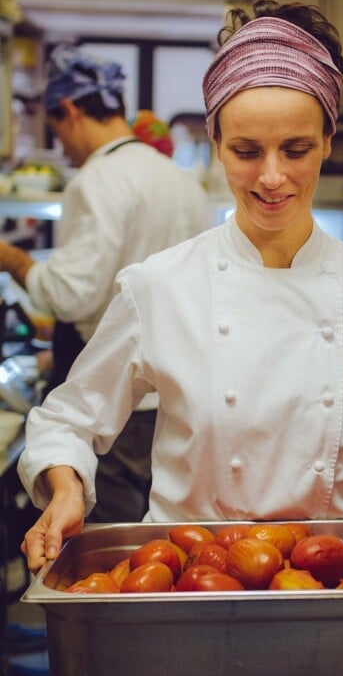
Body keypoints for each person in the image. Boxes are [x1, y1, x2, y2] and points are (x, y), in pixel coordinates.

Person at [18, 0, 343, 573]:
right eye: (246, 151)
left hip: (333, 587)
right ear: (215, 142)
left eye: (296, 149)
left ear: (327, 142)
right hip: (190, 585)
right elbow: (68, 420)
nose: (272, 177)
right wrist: (66, 490)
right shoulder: (158, 288)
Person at [0, 44, 208, 523]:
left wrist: (15, 260)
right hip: (176, 396)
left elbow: (73, 294)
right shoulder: (179, 180)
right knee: (163, 542)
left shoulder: (98, 179)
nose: (64, 145)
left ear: (69, 111)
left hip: (117, 401)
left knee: (110, 545)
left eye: (56, 129)